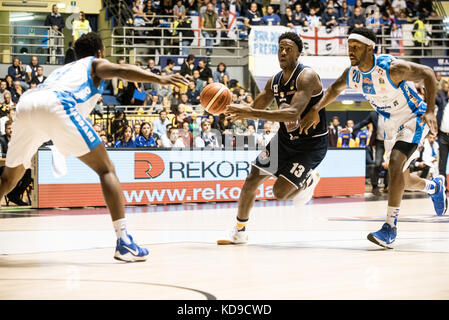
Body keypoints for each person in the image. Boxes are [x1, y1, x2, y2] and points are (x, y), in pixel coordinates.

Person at [1, 32, 189, 261]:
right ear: (100, 52)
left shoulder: (64, 70)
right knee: (106, 169)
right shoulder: (94, 63)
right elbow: (120, 70)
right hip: (56, 104)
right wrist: (159, 79)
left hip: (27, 104)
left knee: (8, 179)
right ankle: (124, 242)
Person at [299, 27, 445, 249]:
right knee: (402, 178)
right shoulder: (353, 74)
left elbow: (427, 72)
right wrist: (316, 109)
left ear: (370, 48)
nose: (351, 52)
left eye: (356, 48)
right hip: (389, 122)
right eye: (349, 48)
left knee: (395, 163)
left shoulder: (391, 68)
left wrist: (431, 110)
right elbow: (334, 90)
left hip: (414, 116)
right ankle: (434, 187)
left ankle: (390, 227)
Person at [217, 32, 327, 245]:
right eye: (280, 48)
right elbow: (255, 108)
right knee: (251, 180)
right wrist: (230, 108)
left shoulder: (307, 76)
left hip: (310, 145)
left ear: (298, 53)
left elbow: (292, 113)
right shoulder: (274, 82)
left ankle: (309, 180)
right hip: (284, 140)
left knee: (280, 193)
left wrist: (250, 112)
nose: (283, 52)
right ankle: (239, 232)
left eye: (288, 49)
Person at [0, 120, 33, 206]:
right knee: (12, 173)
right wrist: (12, 155)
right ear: (5, 129)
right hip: (3, 166)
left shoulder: (19, 140)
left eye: (13, 128)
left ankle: (14, 195)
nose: (11, 130)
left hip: (17, 164)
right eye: (9, 128)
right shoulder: (1, 139)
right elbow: (1, 154)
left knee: (29, 173)